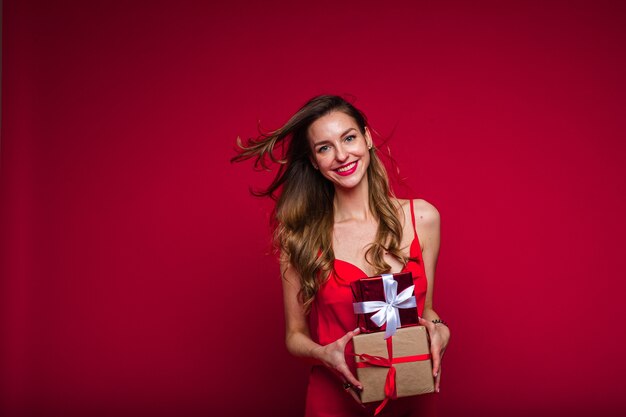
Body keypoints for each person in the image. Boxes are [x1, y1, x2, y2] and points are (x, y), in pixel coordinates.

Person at [232, 95, 450, 416]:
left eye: (348, 138)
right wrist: (325, 354)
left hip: (410, 397)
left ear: (367, 138)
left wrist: (442, 331)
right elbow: (294, 336)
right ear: (313, 161)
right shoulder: (300, 238)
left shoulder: (422, 219)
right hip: (336, 399)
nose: (341, 155)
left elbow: (427, 309)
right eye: (325, 148)